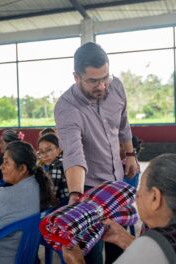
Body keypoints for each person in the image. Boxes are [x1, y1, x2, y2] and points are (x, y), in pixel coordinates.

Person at [54, 42, 138, 263]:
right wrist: (75, 195)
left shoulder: (116, 86)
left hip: (118, 184)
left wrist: (130, 155)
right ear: (76, 76)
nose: (102, 86)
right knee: (91, 254)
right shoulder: (66, 108)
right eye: (93, 81)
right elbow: (74, 154)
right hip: (89, 190)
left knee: (122, 251)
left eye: (105, 78)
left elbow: (123, 124)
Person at [63, 154, 176, 264]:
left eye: (141, 188)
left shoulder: (152, 246)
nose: (137, 196)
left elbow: (154, 253)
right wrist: (126, 240)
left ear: (155, 197)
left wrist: (76, 260)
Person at [0, 141, 56, 264]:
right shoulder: (40, 186)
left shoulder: (7, 195)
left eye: (6, 162)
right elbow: (15, 218)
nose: (1, 166)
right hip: (28, 256)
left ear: (22, 168)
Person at [37, 133, 69, 205]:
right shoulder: (65, 161)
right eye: (41, 152)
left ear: (59, 149)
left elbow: (49, 194)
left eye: (48, 150)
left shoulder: (56, 166)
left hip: (65, 206)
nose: (45, 155)